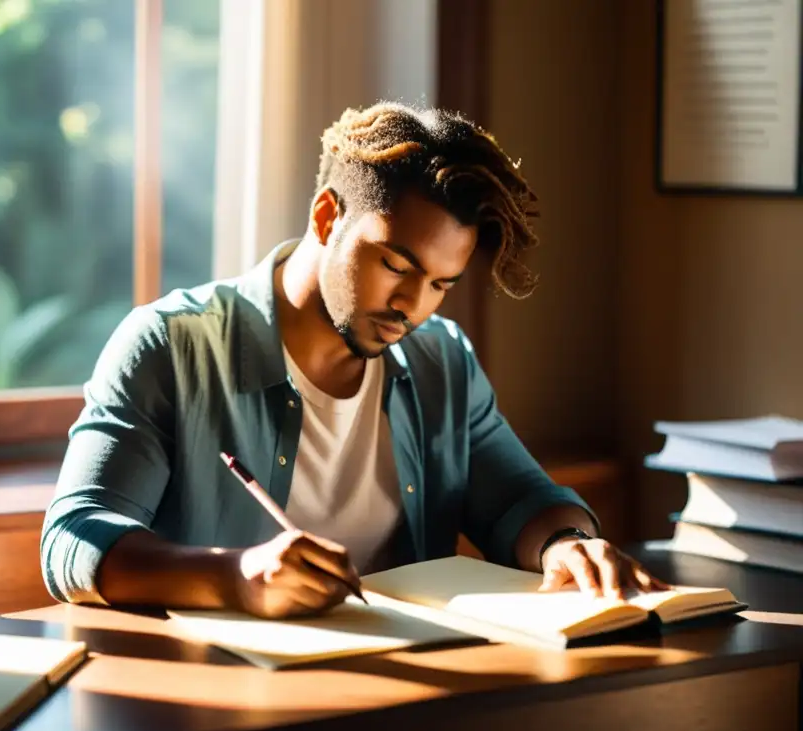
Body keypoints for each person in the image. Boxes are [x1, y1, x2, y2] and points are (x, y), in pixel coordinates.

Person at [41, 101, 666, 620]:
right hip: (216, 703)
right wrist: (235, 576)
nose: (412, 306)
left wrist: (566, 545)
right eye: (396, 265)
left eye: (441, 284)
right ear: (325, 217)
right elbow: (73, 536)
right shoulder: (169, 346)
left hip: (404, 697)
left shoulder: (442, 361)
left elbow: (520, 499)